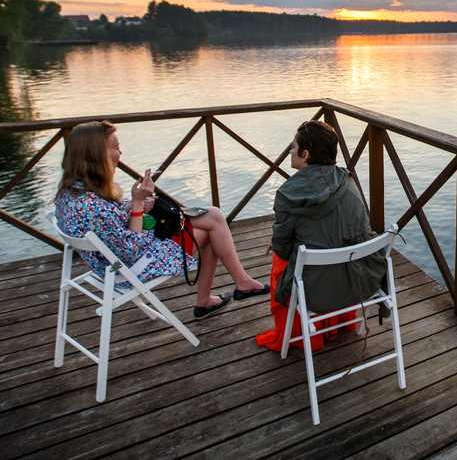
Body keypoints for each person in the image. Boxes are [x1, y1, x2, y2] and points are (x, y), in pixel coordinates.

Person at [54, 120, 268, 320]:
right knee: (212, 231)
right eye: (116, 148)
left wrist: (136, 204)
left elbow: (113, 221)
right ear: (97, 155)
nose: (120, 153)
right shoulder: (93, 208)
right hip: (130, 267)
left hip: (112, 260)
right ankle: (214, 296)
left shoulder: (73, 192)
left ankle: (238, 285)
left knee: (212, 215)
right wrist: (138, 205)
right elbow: (130, 250)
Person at [255, 120, 387, 351]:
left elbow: (283, 250)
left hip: (316, 289)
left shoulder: (287, 193)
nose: (290, 152)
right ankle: (335, 324)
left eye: (293, 147)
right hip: (361, 279)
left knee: (280, 262)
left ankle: (298, 334)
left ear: (305, 155)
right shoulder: (347, 179)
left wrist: (279, 238)